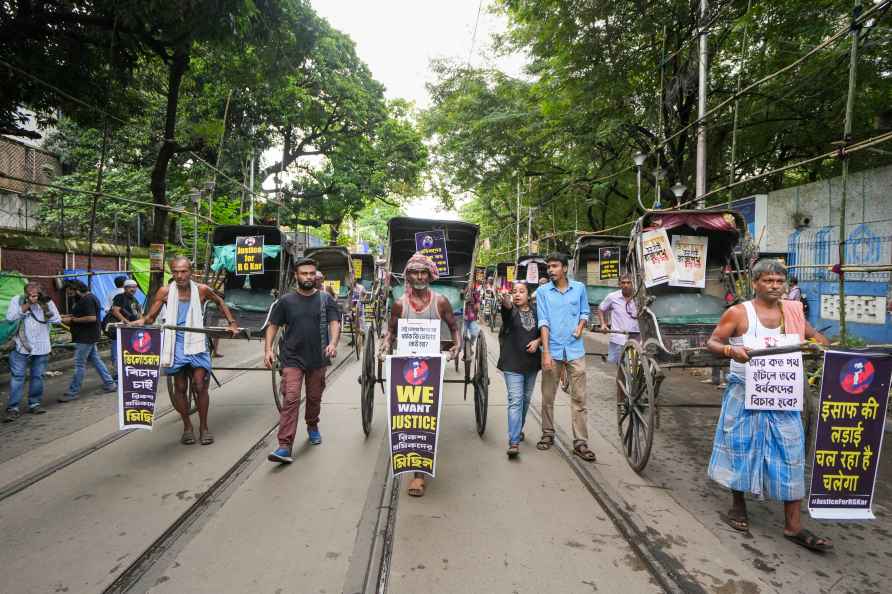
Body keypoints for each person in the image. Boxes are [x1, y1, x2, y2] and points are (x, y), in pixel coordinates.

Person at [706, 259, 832, 552]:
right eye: (768, 281)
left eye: (779, 281)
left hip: (784, 398)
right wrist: (730, 350)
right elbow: (713, 342)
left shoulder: (793, 311)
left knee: (791, 453)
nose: (775, 286)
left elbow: (816, 338)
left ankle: (793, 526)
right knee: (741, 448)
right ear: (755, 283)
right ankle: (738, 505)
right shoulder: (738, 313)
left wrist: (822, 346)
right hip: (744, 394)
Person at [380, 252, 461, 497]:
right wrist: (384, 346)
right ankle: (414, 466)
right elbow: (390, 333)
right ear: (408, 276)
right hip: (405, 367)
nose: (418, 276)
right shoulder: (399, 304)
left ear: (430, 275)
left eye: (423, 272)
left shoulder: (441, 302)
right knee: (409, 415)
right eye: (414, 272)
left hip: (431, 366)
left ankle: (418, 475)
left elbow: (455, 329)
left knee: (424, 416)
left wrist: (456, 347)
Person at [135, 256, 239, 445]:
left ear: (190, 272)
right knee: (180, 387)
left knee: (200, 385)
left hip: (197, 341)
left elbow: (220, 302)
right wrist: (138, 322)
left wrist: (231, 323)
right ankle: (187, 427)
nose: (180, 275)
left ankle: (204, 427)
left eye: (183, 271)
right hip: (175, 344)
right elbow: (150, 317)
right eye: (175, 272)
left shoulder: (202, 290)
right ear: (172, 273)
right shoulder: (165, 291)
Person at [265, 258, 341, 463]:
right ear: (296, 276)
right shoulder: (286, 301)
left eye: (311, 273)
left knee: (314, 397)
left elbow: (335, 322)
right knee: (290, 398)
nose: (308, 277)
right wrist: (268, 350)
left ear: (315, 275)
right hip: (292, 358)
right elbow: (273, 325)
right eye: (304, 273)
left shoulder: (326, 299)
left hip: (318, 358)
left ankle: (312, 424)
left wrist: (333, 343)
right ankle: (284, 446)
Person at [536, 252, 596, 462]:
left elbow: (585, 312)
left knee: (579, 397)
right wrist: (546, 352)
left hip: (575, 350)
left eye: (554, 266)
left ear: (564, 267)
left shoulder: (579, 288)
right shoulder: (543, 291)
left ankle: (580, 442)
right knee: (548, 396)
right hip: (552, 349)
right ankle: (548, 433)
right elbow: (543, 321)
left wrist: (580, 327)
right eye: (548, 267)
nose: (550, 270)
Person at [4, 282, 61, 420]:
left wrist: (46, 308)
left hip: (41, 346)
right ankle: (13, 408)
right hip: (20, 345)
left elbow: (57, 320)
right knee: (18, 377)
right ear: (26, 293)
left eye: (36, 294)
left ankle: (34, 404)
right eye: (31, 294)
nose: (34, 296)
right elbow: (10, 318)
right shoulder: (17, 300)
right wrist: (28, 304)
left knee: (38, 376)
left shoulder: (46, 302)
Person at [498, 283, 540, 458]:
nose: (517, 295)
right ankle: (514, 441)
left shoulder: (538, 311)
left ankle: (517, 430)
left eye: (521, 292)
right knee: (515, 401)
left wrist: (538, 341)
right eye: (514, 292)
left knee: (525, 400)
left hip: (531, 365)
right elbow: (506, 308)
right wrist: (506, 301)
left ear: (528, 295)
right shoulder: (510, 312)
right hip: (512, 364)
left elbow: (545, 330)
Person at [58, 280, 116, 402]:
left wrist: (72, 320)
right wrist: (66, 317)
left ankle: (73, 392)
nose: (70, 295)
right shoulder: (87, 298)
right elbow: (81, 315)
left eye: (71, 292)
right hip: (88, 336)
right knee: (96, 360)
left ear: (77, 289)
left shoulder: (87, 299)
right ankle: (110, 383)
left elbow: (91, 318)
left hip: (86, 337)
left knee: (79, 364)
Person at [596, 274, 640, 409]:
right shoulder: (613, 297)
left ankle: (635, 396)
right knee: (621, 370)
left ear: (633, 284)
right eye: (623, 282)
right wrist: (603, 324)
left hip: (636, 338)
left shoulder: (639, 297)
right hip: (618, 338)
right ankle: (621, 400)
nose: (626, 285)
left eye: (628, 282)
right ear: (619, 284)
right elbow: (601, 309)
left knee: (636, 370)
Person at [105, 278, 142, 376]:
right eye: (130, 287)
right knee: (117, 353)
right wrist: (126, 321)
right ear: (125, 288)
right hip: (119, 329)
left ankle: (125, 373)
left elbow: (138, 314)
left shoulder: (134, 299)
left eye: (135, 287)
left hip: (129, 330)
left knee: (127, 352)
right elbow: (115, 310)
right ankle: (117, 375)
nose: (133, 289)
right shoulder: (120, 297)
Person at [463, 281, 481, 346]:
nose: (471, 285)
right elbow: (461, 297)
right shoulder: (462, 291)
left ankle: (470, 345)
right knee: (463, 334)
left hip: (472, 318)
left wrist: (477, 308)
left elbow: (478, 304)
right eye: (469, 283)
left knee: (474, 333)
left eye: (472, 283)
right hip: (462, 318)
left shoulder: (476, 293)